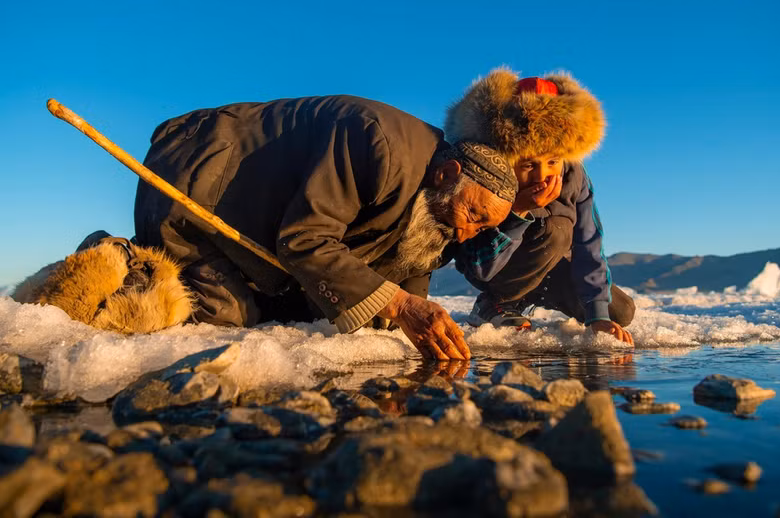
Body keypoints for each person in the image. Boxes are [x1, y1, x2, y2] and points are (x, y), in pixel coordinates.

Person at [133, 94, 518, 360]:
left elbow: (412, 264)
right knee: (228, 331)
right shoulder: (377, 144)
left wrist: (408, 324)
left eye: (483, 228)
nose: (468, 234)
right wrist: (401, 307)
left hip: (260, 223)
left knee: (299, 321)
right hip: (194, 184)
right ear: (446, 174)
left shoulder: (441, 201)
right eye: (474, 216)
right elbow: (305, 240)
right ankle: (122, 262)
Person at [443, 68, 635, 345]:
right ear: (510, 157)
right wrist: (518, 211)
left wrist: (597, 314)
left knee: (620, 312)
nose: (542, 175)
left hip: (551, 268)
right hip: (496, 271)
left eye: (553, 162)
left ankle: (537, 297)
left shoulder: (574, 177)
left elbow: (589, 244)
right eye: (529, 164)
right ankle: (495, 304)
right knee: (554, 230)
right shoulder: (486, 176)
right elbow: (478, 267)